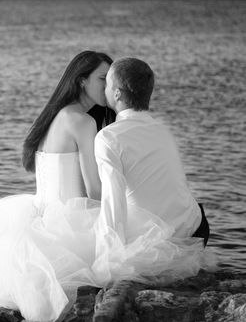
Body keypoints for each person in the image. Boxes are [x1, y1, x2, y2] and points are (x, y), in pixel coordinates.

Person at [0, 50, 115, 322]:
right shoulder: (83, 121)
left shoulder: (55, 116)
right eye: (103, 79)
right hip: (68, 222)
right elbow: (95, 192)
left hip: (42, 216)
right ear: (81, 81)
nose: (109, 87)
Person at [91, 57, 213, 284]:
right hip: (196, 230)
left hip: (157, 244)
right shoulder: (162, 129)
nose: (103, 88)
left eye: (106, 83)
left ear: (117, 93)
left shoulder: (108, 138)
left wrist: (107, 261)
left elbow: (112, 202)